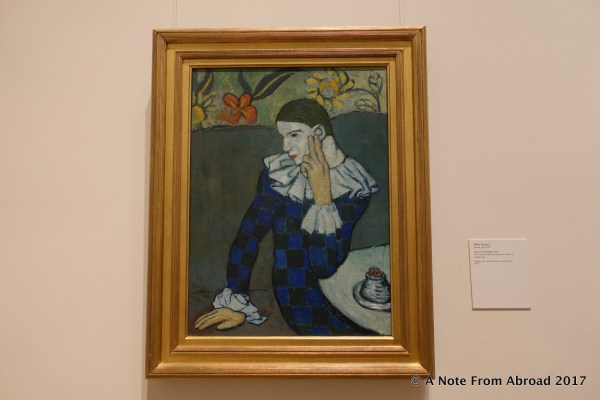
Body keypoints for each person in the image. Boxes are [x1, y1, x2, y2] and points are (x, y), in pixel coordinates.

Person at [195, 99, 379, 335]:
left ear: (318, 133)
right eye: (284, 136)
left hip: (352, 299)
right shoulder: (280, 176)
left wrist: (323, 197)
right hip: (301, 303)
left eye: (294, 135)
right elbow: (248, 236)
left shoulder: (354, 185)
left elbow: (325, 264)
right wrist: (236, 300)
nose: (286, 146)